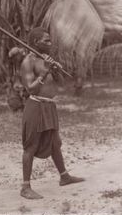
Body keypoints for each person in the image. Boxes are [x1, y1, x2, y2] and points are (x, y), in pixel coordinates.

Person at [20, 27, 85, 199]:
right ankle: (25, 187)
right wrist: (44, 71)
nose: (50, 43)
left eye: (50, 40)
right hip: (36, 107)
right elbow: (30, 89)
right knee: (31, 147)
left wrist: (55, 71)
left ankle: (64, 176)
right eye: (46, 41)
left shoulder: (47, 60)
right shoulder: (28, 61)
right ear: (36, 43)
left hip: (49, 106)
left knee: (55, 143)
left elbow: (61, 84)